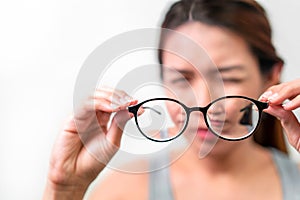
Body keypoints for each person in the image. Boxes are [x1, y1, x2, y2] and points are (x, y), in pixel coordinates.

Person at [43, 0, 300, 199]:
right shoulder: (123, 192)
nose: (203, 104)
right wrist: (64, 190)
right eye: (182, 79)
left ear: (271, 77)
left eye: (227, 79)